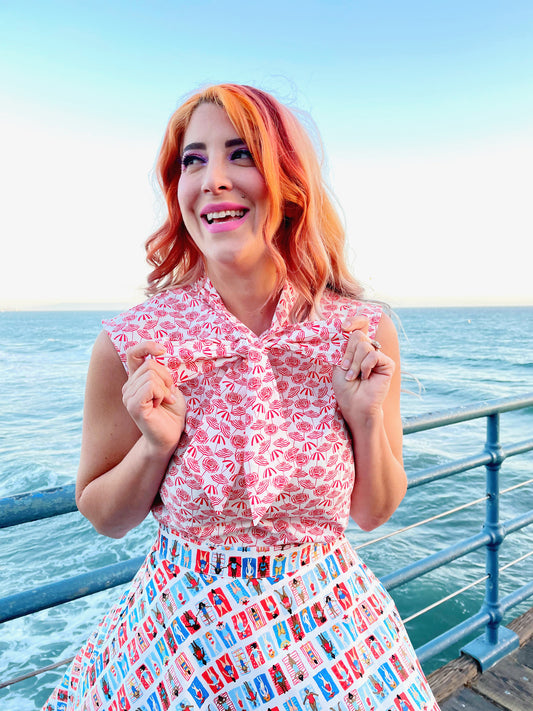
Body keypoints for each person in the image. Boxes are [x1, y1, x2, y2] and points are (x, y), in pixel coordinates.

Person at [43, 83, 440, 710]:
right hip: (176, 650)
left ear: (288, 182)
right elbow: (103, 516)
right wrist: (155, 447)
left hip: (330, 641)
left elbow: (373, 512)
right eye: (193, 160)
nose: (214, 179)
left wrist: (364, 421)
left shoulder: (358, 330)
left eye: (242, 155)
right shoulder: (135, 343)